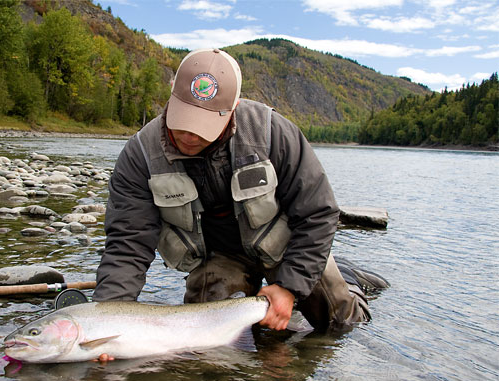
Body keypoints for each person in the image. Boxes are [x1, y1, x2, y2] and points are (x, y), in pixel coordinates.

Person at [93, 49, 387, 352]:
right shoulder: (140, 155)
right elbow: (127, 244)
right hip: (220, 257)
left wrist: (289, 287)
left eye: (203, 124)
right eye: (183, 120)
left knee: (339, 324)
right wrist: (107, 323)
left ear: (233, 108)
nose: (190, 135)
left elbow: (318, 213)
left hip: (284, 248)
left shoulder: (273, 133)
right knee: (206, 342)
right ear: (171, 97)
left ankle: (349, 282)